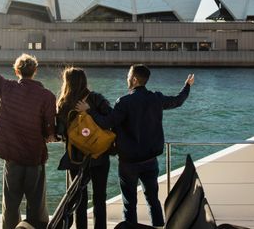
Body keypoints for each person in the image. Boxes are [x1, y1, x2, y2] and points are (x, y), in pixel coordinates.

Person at [77, 64, 195, 227]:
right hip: (150, 160)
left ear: (134, 79)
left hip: (128, 163)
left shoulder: (124, 102)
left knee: (129, 204)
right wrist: (187, 86)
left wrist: (89, 110)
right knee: (153, 201)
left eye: (128, 75)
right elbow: (178, 101)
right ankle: (159, 227)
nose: (126, 78)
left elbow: (106, 123)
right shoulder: (156, 98)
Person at [0, 21, 56, 229]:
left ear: (17, 71)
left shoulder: (6, 88)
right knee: (36, 204)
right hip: (34, 157)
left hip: (13, 158)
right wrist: (50, 134)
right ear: (34, 71)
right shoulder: (46, 96)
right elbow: (50, 127)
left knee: (11, 203)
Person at [56, 67, 113, 229]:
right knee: (99, 198)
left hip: (75, 158)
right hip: (99, 155)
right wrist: (90, 114)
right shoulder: (96, 98)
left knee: (78, 198)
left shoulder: (64, 103)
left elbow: (60, 133)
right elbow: (111, 119)